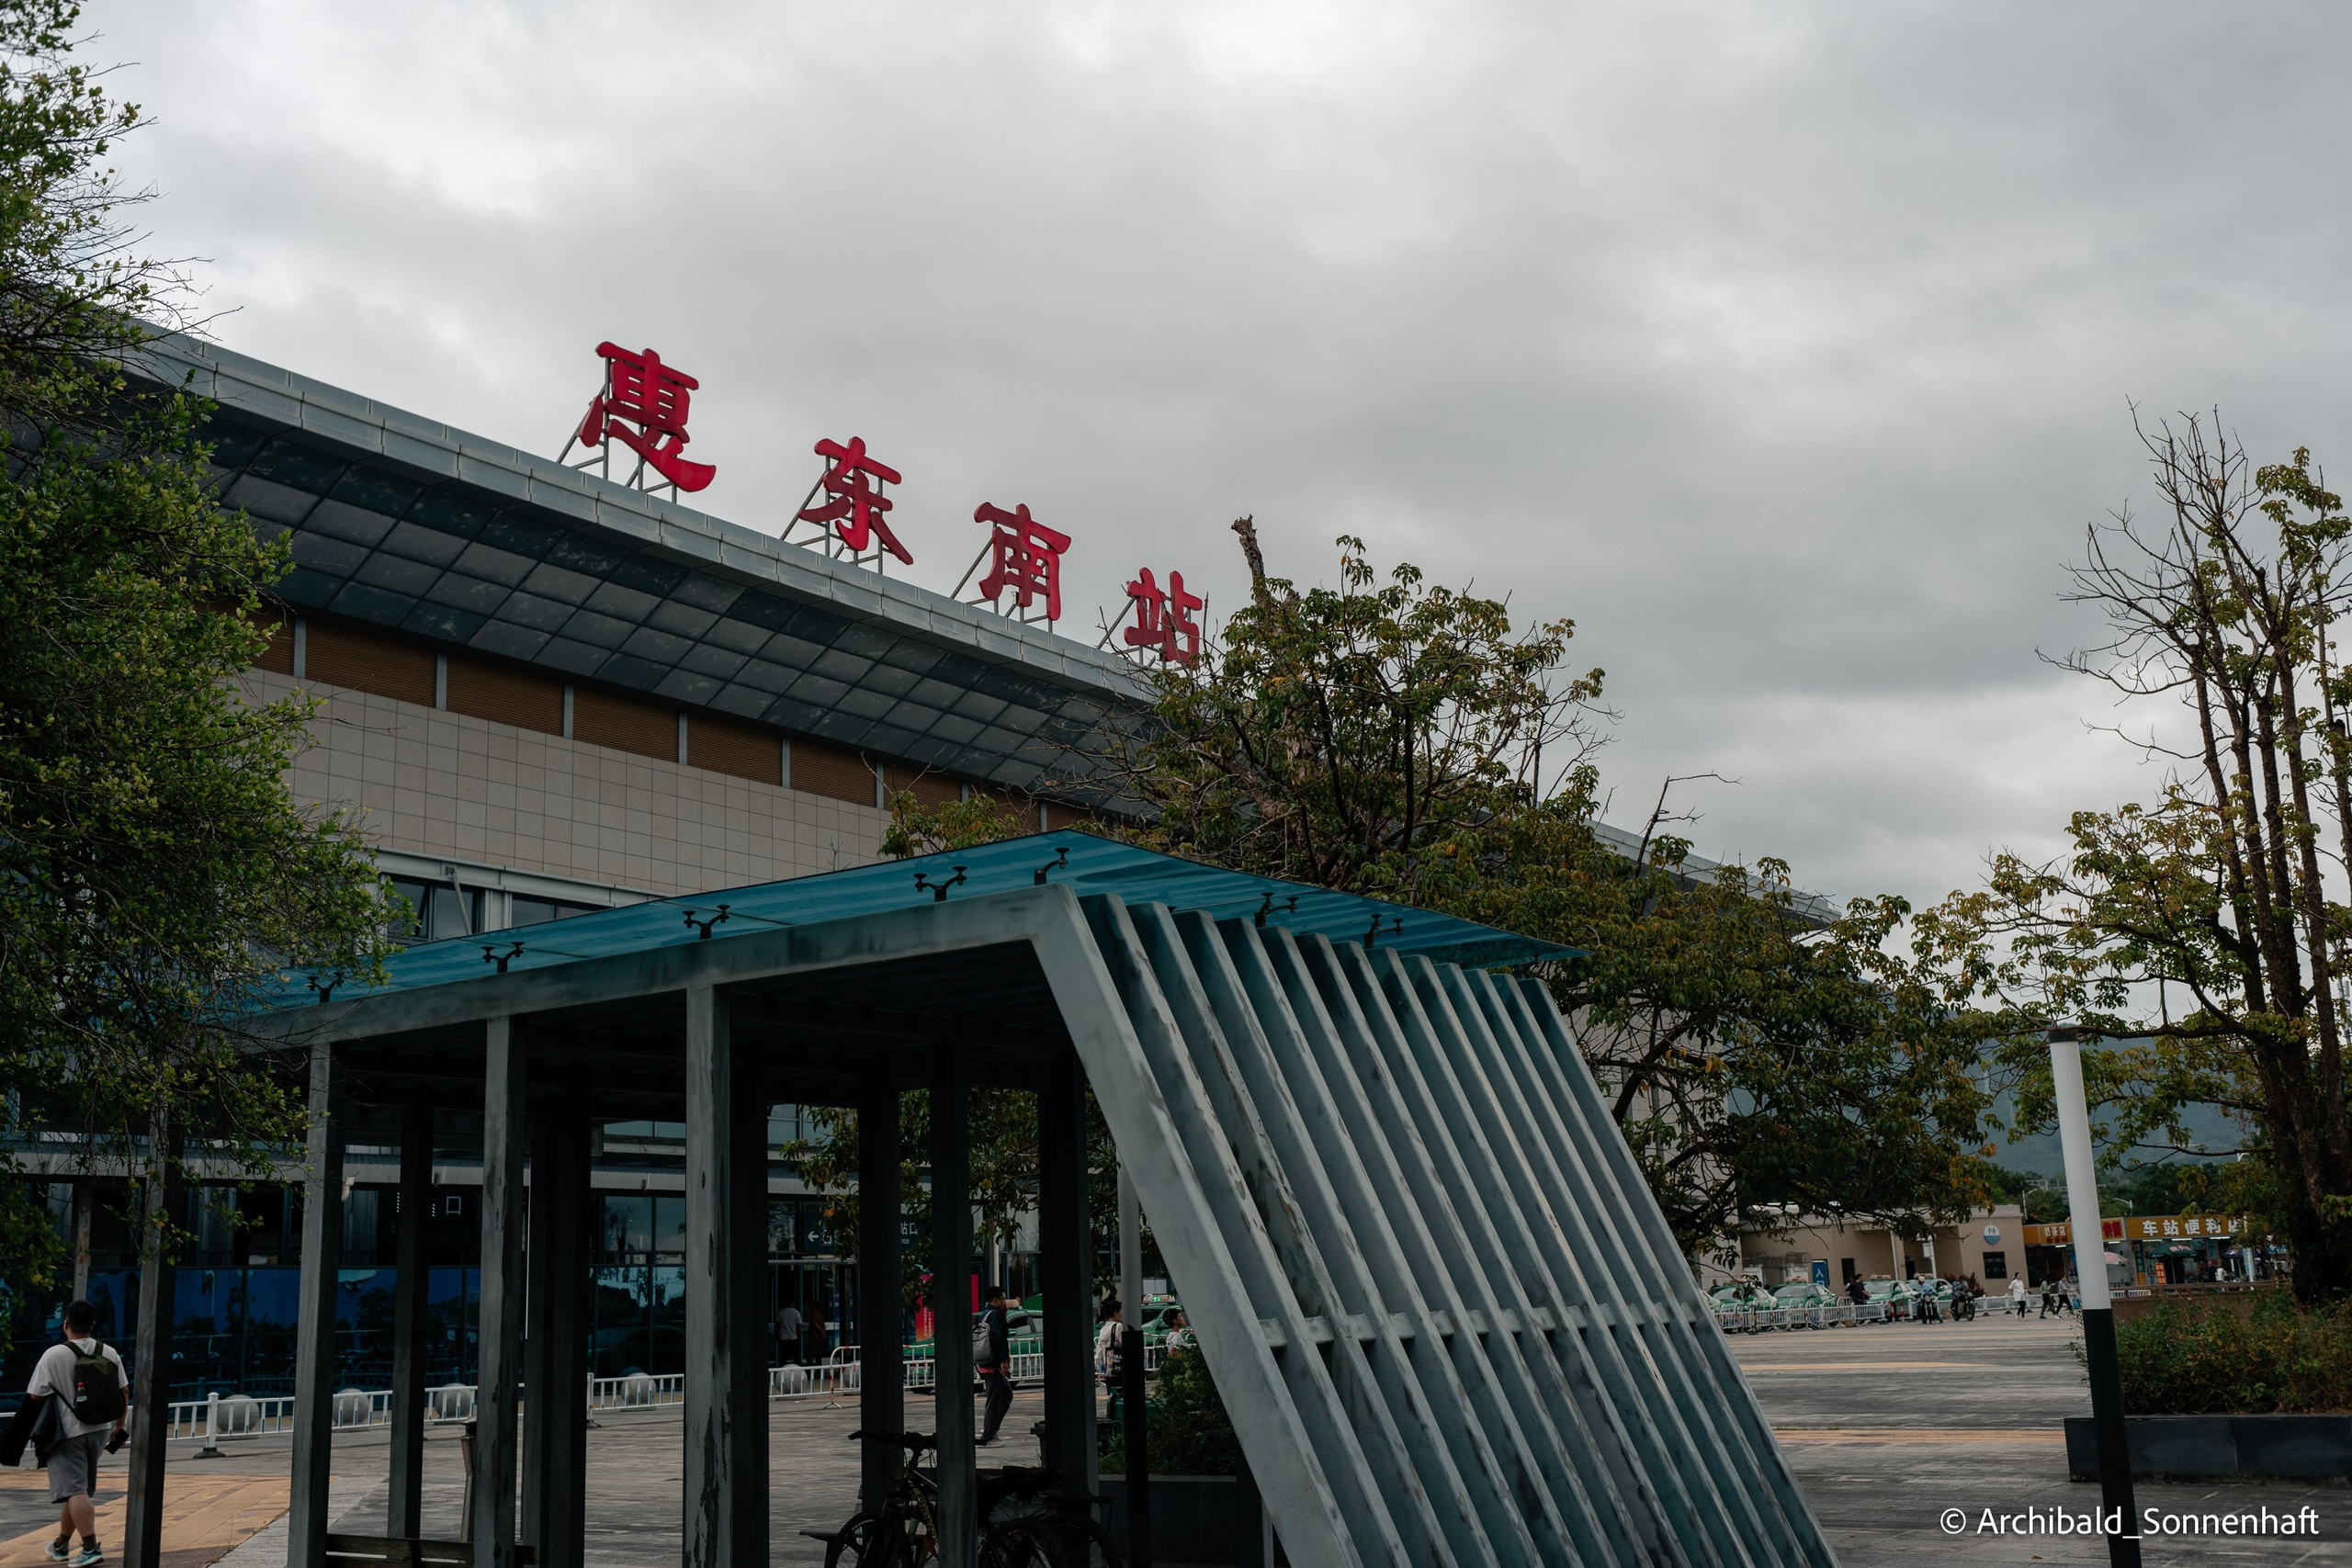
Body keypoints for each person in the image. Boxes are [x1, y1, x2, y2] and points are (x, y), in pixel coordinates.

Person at [18, 1302, 126, 1567]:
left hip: (67, 1432)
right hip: (100, 1431)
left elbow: (35, 1395)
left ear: (65, 1324)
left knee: (75, 1490)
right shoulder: (109, 1352)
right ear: (92, 1324)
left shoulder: (53, 1355)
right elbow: (123, 1391)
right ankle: (61, 1544)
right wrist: (118, 1426)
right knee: (77, 1490)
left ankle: (90, 1548)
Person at [976, 1284, 1013, 1447]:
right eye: (1003, 1299)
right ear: (995, 1300)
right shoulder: (995, 1315)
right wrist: (1003, 1361)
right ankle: (988, 1436)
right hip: (993, 1365)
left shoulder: (984, 1315)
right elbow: (998, 1338)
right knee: (994, 1400)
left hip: (985, 1362)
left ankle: (992, 1430)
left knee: (1006, 1395)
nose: (1005, 1302)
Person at [773, 1299, 805, 1366]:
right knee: (796, 1356)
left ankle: (782, 1370)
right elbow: (798, 1326)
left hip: (783, 1338)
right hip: (793, 1338)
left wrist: (776, 1336)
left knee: (783, 1356)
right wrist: (798, 1337)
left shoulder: (781, 1313)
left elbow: (777, 1325)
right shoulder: (796, 1313)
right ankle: (797, 1369)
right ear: (792, 1304)